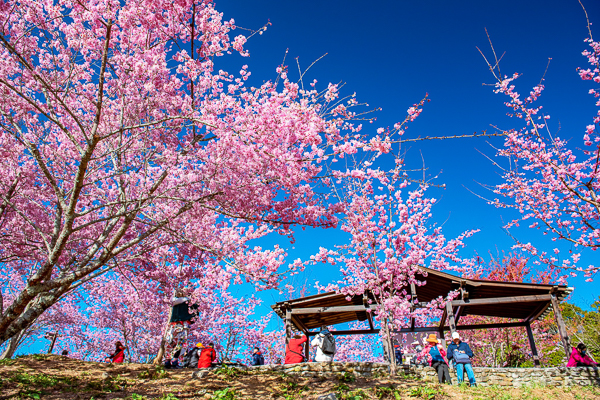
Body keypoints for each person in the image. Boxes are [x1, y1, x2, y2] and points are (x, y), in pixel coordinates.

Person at [165, 289, 199, 368]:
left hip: (172, 325)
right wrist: (192, 318)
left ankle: (167, 360)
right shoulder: (187, 302)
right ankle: (174, 361)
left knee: (170, 342)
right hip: (183, 324)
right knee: (180, 343)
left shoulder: (174, 302)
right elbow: (196, 310)